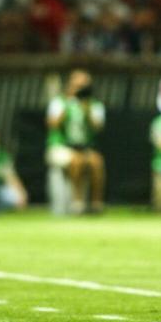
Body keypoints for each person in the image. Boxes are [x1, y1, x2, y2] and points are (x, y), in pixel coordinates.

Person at [45, 69, 105, 214]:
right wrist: (68, 104)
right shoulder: (59, 102)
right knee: (76, 161)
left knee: (97, 162)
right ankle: (77, 203)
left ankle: (96, 204)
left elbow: (98, 127)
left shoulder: (94, 104)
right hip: (59, 146)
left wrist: (87, 110)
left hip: (83, 147)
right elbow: (52, 124)